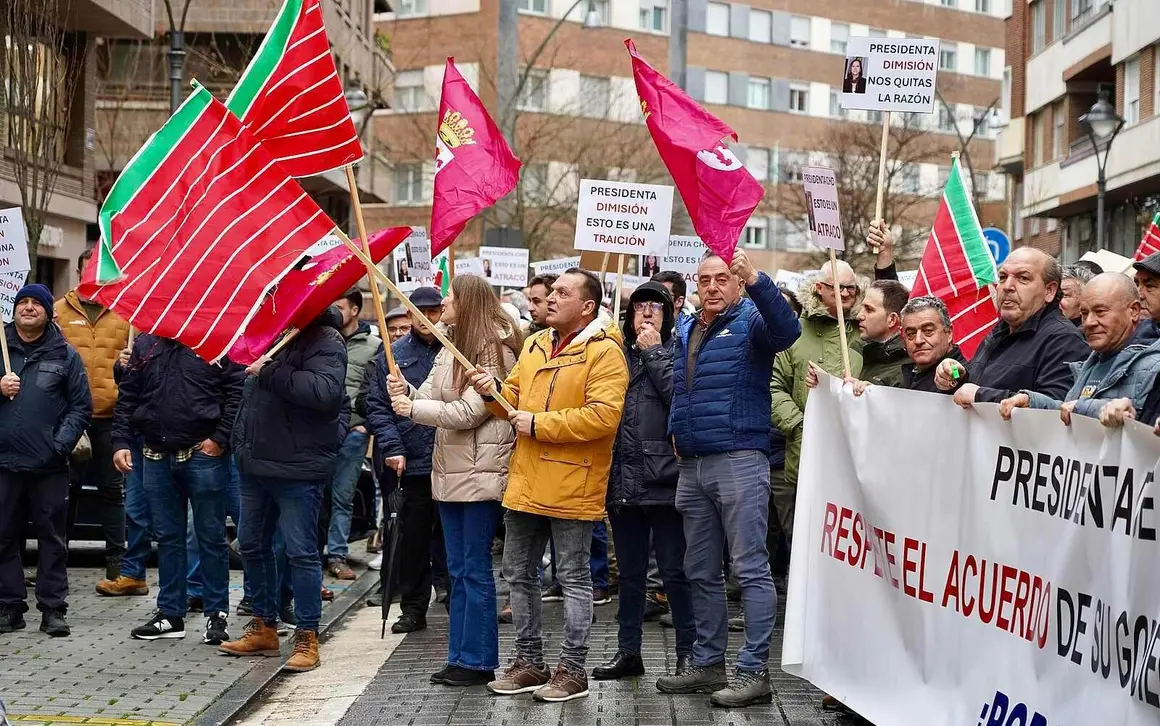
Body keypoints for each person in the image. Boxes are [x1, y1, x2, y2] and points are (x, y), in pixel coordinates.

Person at [468, 268, 628, 703]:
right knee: (519, 573)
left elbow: (603, 417)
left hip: (574, 483)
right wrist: (492, 391)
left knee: (573, 577)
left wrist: (537, 424)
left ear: (588, 306)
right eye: (551, 292)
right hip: (527, 479)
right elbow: (512, 402)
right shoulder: (536, 343)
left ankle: (572, 670)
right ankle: (529, 663)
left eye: (562, 293)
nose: (551, 298)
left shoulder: (605, 351)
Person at [657, 250, 800, 708]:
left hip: (739, 458)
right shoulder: (690, 328)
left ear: (737, 283)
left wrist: (758, 280)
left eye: (724, 278)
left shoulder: (753, 321)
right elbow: (683, 389)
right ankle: (708, 662)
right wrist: (676, 431)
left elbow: (788, 329)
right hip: (693, 464)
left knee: (750, 568)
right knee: (699, 569)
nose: (714, 286)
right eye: (705, 279)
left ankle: (753, 669)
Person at [387, 274, 521, 687]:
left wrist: (411, 409)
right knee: (459, 569)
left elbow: (469, 413)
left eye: (450, 297)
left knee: (473, 570)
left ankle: (478, 660)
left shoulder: (492, 349)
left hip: (480, 474)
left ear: (467, 302)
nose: (443, 303)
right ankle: (459, 656)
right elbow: (428, 395)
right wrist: (403, 387)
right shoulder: (448, 347)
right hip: (449, 472)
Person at [219, 305, 348, 672]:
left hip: (297, 468)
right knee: (253, 545)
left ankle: (307, 635)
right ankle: (263, 626)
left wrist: (270, 368)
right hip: (253, 465)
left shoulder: (326, 339)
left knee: (301, 552)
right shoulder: (272, 333)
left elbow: (324, 393)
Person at [114, 324, 244, 645]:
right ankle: (170, 614)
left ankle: (217, 614)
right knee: (168, 538)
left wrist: (219, 439)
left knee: (210, 537)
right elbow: (128, 396)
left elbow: (237, 392)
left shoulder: (216, 340)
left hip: (204, 453)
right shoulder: (145, 345)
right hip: (155, 454)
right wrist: (120, 441)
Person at [593, 282, 696, 683]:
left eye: (656, 306)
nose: (647, 313)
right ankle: (628, 652)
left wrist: (654, 353)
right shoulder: (615, 353)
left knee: (675, 572)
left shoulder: (680, 351)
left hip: (665, 479)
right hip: (623, 479)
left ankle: (688, 654)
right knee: (631, 576)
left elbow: (681, 399)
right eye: (639, 307)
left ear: (669, 315)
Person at [0, 285, 91, 637]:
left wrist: (60, 444)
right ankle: (10, 605)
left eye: (35, 303)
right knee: (4, 536)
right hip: (4, 463)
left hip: (48, 465)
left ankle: (53, 609)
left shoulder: (65, 354)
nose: (27, 308)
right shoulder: (1, 351)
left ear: (48, 313)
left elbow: (81, 406)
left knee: (52, 538)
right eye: (22, 302)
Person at [366, 287, 447, 632]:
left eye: (434, 312)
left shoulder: (457, 351)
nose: (427, 319)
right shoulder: (391, 354)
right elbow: (377, 407)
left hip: (452, 460)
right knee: (412, 541)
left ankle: (456, 598)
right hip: (412, 462)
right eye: (420, 312)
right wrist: (392, 447)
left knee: (452, 538)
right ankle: (413, 607)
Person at [769, 262, 863, 552]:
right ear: (819, 289)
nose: (846, 293)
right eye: (839, 287)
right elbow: (773, 385)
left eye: (851, 288)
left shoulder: (865, 332)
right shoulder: (794, 332)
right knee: (803, 545)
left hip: (851, 457)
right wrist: (799, 424)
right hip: (802, 454)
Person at [55, 249, 130, 586]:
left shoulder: (127, 315)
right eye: (91, 269)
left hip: (111, 418)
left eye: (104, 271)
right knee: (63, 491)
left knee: (112, 493)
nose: (97, 276)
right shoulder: (56, 313)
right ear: (78, 272)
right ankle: (56, 562)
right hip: (68, 418)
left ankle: (118, 566)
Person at [935, 248, 1089, 408]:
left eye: (1023, 278)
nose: (1007, 286)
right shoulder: (999, 331)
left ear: (1049, 291)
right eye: (1002, 277)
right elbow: (973, 387)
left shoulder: (1064, 340)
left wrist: (980, 395)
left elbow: (1054, 410)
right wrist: (956, 376)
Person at [1002, 274, 1160, 423]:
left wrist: (1084, 408)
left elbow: (1143, 428)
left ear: (1133, 311)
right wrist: (1033, 402)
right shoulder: (1090, 363)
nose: (1089, 323)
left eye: (1100, 312)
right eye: (1085, 313)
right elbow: (1069, 412)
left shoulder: (1155, 367)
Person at [325, 288, 382, 581]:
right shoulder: (322, 338)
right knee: (312, 496)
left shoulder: (374, 345)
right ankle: (313, 554)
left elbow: (376, 389)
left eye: (340, 306)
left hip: (352, 433)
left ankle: (337, 554)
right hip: (319, 432)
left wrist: (366, 424)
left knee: (342, 497)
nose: (334, 312)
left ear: (355, 310)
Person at [898, 296, 966, 393]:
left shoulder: (957, 371)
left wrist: (955, 374)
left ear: (949, 333)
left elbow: (959, 376)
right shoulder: (907, 374)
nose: (918, 340)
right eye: (911, 334)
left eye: (928, 331)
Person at [856, 280, 912, 387]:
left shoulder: (907, 369)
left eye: (869, 309)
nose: (859, 316)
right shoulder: (872, 355)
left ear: (892, 320)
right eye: (861, 308)